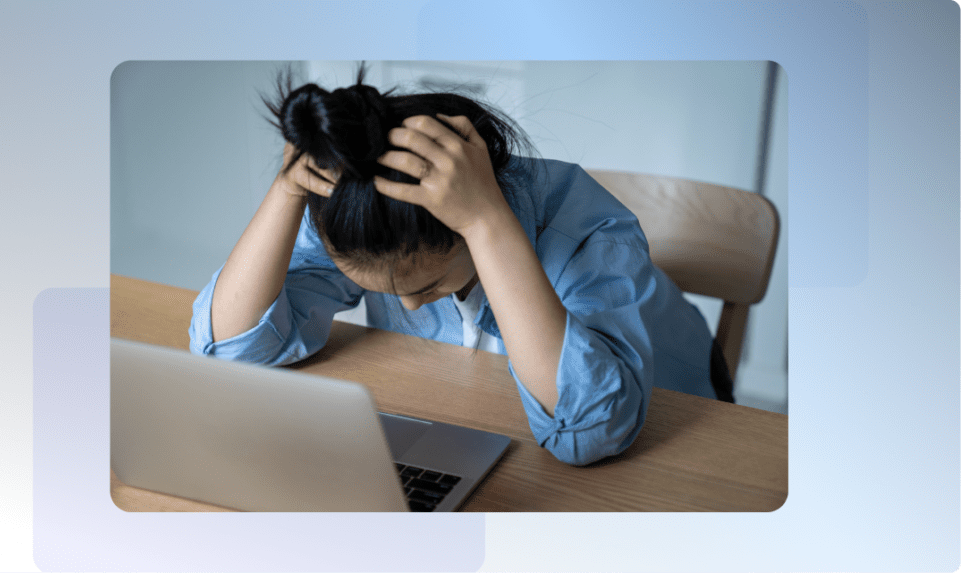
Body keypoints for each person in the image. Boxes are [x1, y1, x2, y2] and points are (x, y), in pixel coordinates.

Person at [189, 68, 733, 466]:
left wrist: (488, 224)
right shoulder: (367, 211)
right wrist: (287, 189)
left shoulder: (588, 233)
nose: (405, 306)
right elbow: (231, 352)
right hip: (479, 416)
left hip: (683, 419)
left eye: (426, 284)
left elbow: (591, 432)